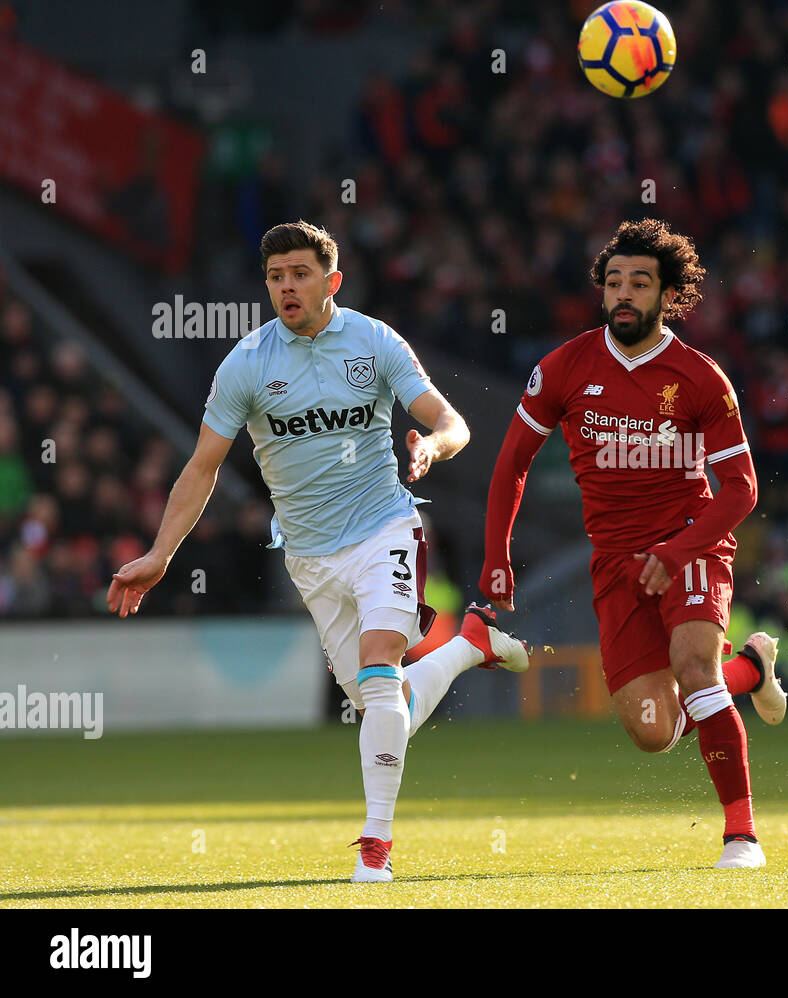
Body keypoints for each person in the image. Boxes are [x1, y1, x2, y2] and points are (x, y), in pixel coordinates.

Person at [107, 220, 529, 883]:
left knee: (379, 667)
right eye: (275, 277)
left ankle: (375, 848)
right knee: (385, 707)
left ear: (330, 281)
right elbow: (201, 468)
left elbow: (453, 422)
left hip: (387, 526)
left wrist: (430, 446)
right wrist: (162, 552)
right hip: (308, 557)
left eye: (299, 274)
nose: (286, 287)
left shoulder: (374, 341)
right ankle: (470, 644)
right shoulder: (246, 364)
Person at [478, 218, 785, 869]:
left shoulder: (700, 378)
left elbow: (741, 490)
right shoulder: (564, 367)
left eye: (639, 283)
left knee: (694, 670)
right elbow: (511, 464)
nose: (624, 293)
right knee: (653, 732)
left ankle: (742, 836)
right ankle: (752, 669)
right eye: (614, 281)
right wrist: (497, 555)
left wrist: (676, 554)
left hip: (689, 546)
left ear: (667, 294)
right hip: (616, 563)